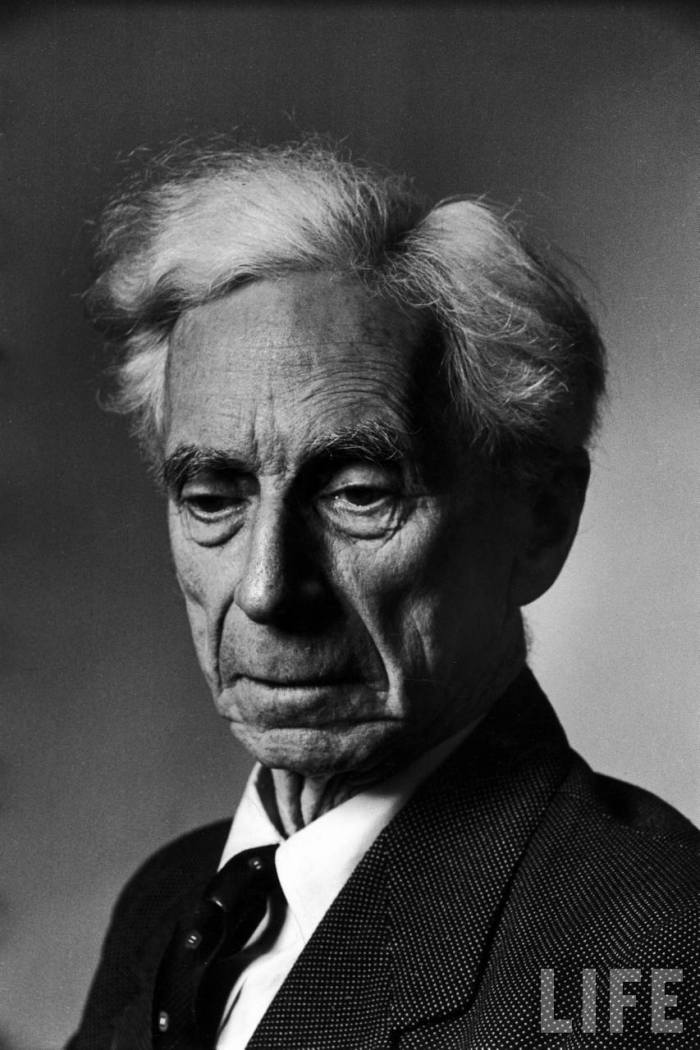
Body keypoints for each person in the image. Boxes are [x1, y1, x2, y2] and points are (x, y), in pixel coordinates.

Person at [68, 142, 698, 1049]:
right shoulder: (167, 901)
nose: (267, 588)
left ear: (541, 521)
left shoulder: (654, 952)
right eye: (212, 498)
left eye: (359, 493)